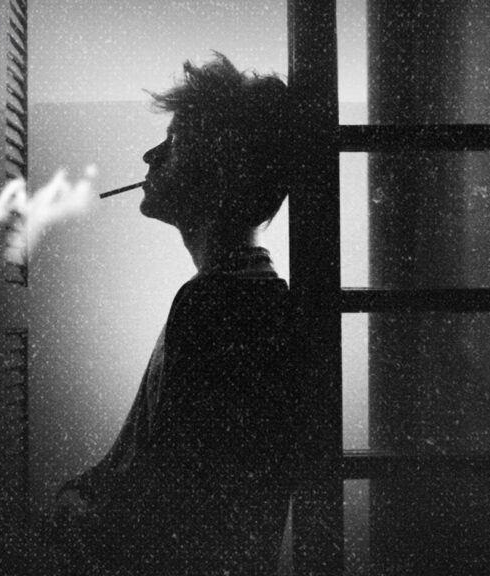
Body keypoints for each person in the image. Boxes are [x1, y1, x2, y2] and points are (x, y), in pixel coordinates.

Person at [49, 53, 304, 575]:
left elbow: (165, 506)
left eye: (174, 142)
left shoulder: (214, 303)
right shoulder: (239, 293)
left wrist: (73, 512)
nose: (151, 155)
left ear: (222, 171)